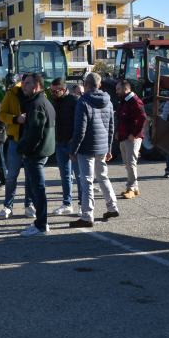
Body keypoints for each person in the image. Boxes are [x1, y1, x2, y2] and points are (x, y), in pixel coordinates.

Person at [68, 72, 119, 228]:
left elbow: (80, 130)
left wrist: (73, 149)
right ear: (100, 85)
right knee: (103, 176)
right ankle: (112, 206)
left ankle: (87, 215)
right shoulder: (108, 102)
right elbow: (111, 127)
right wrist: (109, 148)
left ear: (86, 84)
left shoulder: (83, 101)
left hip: (87, 147)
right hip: (102, 146)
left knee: (87, 181)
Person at [17, 73, 55, 237]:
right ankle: (40, 221)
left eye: (27, 83)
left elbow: (35, 133)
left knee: (38, 189)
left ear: (36, 85)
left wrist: (24, 150)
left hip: (36, 153)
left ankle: (41, 224)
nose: (23, 86)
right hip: (40, 151)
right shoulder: (41, 101)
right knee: (35, 188)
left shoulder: (37, 104)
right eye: (23, 83)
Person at [0, 74, 32, 219]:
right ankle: (7, 206)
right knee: (11, 176)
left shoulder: (38, 95)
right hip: (15, 141)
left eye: (31, 83)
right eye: (25, 82)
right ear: (22, 82)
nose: (28, 85)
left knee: (30, 176)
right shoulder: (11, 94)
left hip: (31, 142)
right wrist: (15, 119)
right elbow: (1, 114)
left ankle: (29, 205)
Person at [51, 77, 81, 215]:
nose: (53, 93)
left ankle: (82, 204)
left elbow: (80, 124)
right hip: (59, 143)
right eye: (52, 91)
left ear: (63, 90)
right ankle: (67, 203)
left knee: (79, 175)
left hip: (72, 144)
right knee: (65, 176)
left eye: (55, 91)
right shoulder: (55, 101)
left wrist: (73, 142)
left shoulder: (74, 101)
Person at [115, 79, 147, 199]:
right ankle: (135, 187)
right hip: (124, 137)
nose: (116, 91)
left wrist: (135, 134)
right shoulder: (124, 100)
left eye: (118, 89)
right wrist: (118, 132)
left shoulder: (134, 100)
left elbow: (143, 118)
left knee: (131, 163)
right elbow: (121, 118)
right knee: (127, 164)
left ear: (126, 89)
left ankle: (131, 188)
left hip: (132, 138)